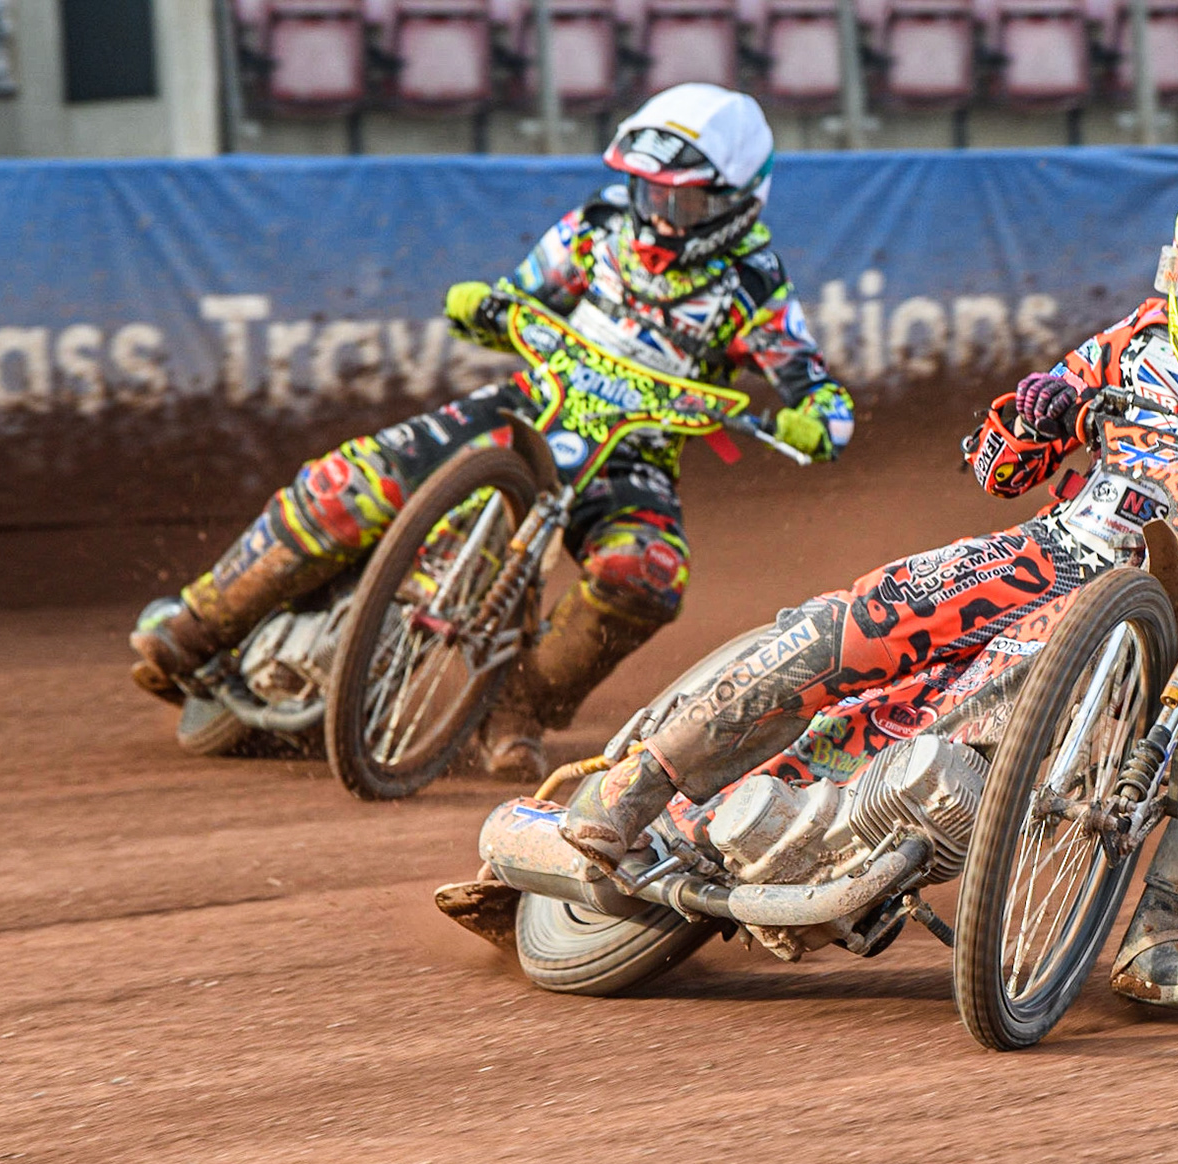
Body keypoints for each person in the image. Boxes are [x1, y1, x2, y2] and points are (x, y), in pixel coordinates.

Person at [556, 156, 1178, 1011]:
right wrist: (1036, 413)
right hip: (1052, 551)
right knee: (861, 617)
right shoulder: (1130, 344)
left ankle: (1163, 934)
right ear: (1176, 273)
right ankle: (639, 785)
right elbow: (997, 463)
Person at [129, 83, 855, 775]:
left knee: (648, 572)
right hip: (523, 408)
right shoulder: (598, 227)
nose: (660, 214)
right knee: (348, 482)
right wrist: (484, 305)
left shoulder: (756, 286)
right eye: (648, 191)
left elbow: (817, 389)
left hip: (632, 457)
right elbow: (517, 295)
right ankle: (196, 629)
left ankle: (518, 709)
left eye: (681, 200)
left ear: (735, 202)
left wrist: (817, 419)